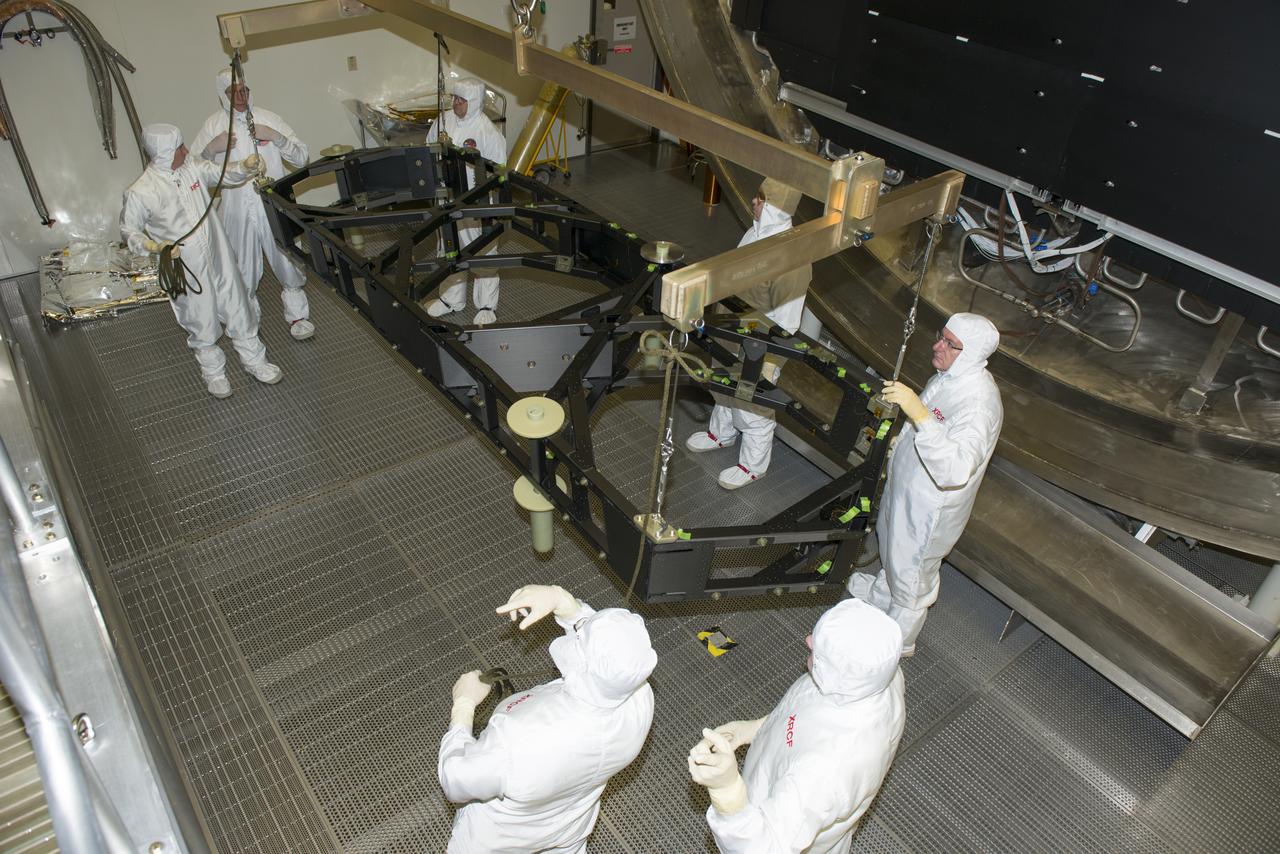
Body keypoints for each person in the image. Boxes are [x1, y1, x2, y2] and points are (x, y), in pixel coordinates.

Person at [439, 583, 656, 853]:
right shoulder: (640, 699)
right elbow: (612, 650)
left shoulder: (517, 739)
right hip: (569, 831)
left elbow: (455, 779)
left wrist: (464, 703)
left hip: (497, 840)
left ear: (583, 662)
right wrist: (562, 601)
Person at [688, 599, 906, 854]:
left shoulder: (825, 771)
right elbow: (804, 716)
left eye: (820, 649)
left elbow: (762, 847)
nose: (808, 640)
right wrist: (756, 729)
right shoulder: (873, 678)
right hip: (773, 782)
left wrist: (728, 794)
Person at [846, 312, 1003, 656]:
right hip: (908, 487)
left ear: (973, 352)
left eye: (950, 344)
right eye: (941, 336)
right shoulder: (948, 377)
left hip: (930, 508)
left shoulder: (979, 405)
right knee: (891, 545)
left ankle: (897, 642)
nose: (937, 346)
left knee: (913, 577)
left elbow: (956, 469)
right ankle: (881, 597)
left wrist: (918, 413)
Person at [121, 124, 282, 398]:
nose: (186, 150)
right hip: (187, 267)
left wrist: (244, 166)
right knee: (200, 318)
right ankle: (214, 374)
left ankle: (256, 361)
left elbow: (221, 174)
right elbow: (128, 230)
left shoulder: (191, 167)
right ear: (164, 154)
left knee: (238, 306)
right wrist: (152, 246)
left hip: (219, 256)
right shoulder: (141, 191)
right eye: (179, 148)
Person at [685, 177, 811, 490]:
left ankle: (753, 466)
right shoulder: (756, 232)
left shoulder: (791, 256)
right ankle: (721, 434)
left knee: (752, 403)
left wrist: (766, 356)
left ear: (777, 209)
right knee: (723, 382)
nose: (753, 203)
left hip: (763, 342)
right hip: (734, 326)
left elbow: (787, 322)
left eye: (761, 199)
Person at [189, 68, 315, 340]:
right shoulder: (213, 126)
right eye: (232, 92)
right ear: (221, 96)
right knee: (240, 267)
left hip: (273, 204)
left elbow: (302, 156)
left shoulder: (268, 118)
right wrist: (210, 149)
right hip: (235, 208)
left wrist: (277, 137)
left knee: (287, 259)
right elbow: (191, 171)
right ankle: (247, 322)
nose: (240, 96)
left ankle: (298, 316)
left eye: (243, 90)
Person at [423, 76, 508, 325]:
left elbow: (499, 168)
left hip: (475, 202)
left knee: (482, 250)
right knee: (449, 248)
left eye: (462, 100)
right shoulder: (444, 120)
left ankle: (486, 305)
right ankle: (451, 299)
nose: (456, 103)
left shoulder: (486, 130)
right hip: (447, 198)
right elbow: (428, 146)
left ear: (473, 102)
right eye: (455, 98)